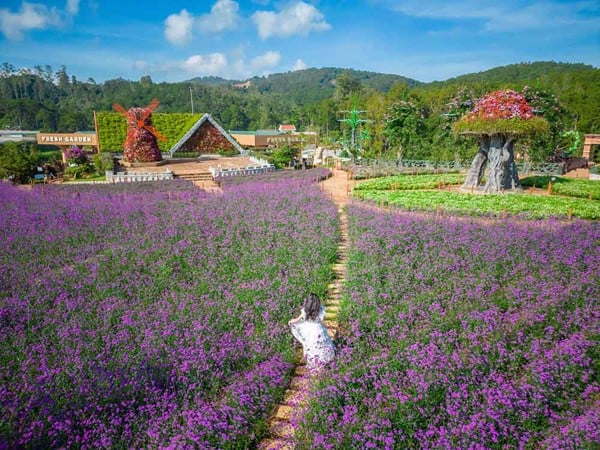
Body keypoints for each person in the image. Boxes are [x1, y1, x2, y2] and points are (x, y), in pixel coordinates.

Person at [288, 293, 335, 369]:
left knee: (312, 345)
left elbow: (297, 320)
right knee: (321, 344)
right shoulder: (321, 309)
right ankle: (323, 359)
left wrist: (291, 321)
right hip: (319, 329)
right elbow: (322, 318)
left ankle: (314, 362)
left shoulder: (305, 311)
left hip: (310, 330)